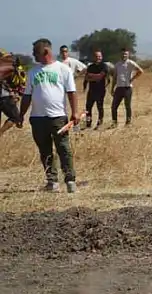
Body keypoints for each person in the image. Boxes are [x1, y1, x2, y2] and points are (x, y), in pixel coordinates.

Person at [18, 38, 79, 193]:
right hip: (38, 119)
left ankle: (70, 180)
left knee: (63, 149)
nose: (33, 56)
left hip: (58, 117)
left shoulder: (62, 70)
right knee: (45, 151)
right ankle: (52, 182)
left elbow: (71, 92)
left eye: (35, 53)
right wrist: (21, 114)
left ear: (46, 52)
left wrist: (75, 112)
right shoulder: (32, 72)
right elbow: (27, 96)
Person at [110, 48, 143, 126]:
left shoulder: (131, 63)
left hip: (127, 87)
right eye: (122, 54)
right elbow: (115, 77)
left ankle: (128, 122)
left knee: (127, 106)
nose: (124, 55)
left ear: (128, 55)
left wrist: (132, 79)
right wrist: (112, 88)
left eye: (125, 54)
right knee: (114, 106)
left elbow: (140, 71)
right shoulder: (117, 64)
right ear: (120, 54)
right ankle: (114, 122)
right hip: (119, 87)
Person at [83, 50, 110, 129]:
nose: (98, 58)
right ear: (93, 57)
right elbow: (87, 78)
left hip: (100, 90)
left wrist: (92, 76)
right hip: (91, 90)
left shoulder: (104, 66)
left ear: (101, 57)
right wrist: (94, 77)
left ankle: (99, 123)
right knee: (88, 107)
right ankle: (88, 123)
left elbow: (100, 77)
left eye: (99, 56)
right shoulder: (90, 66)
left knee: (99, 107)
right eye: (96, 56)